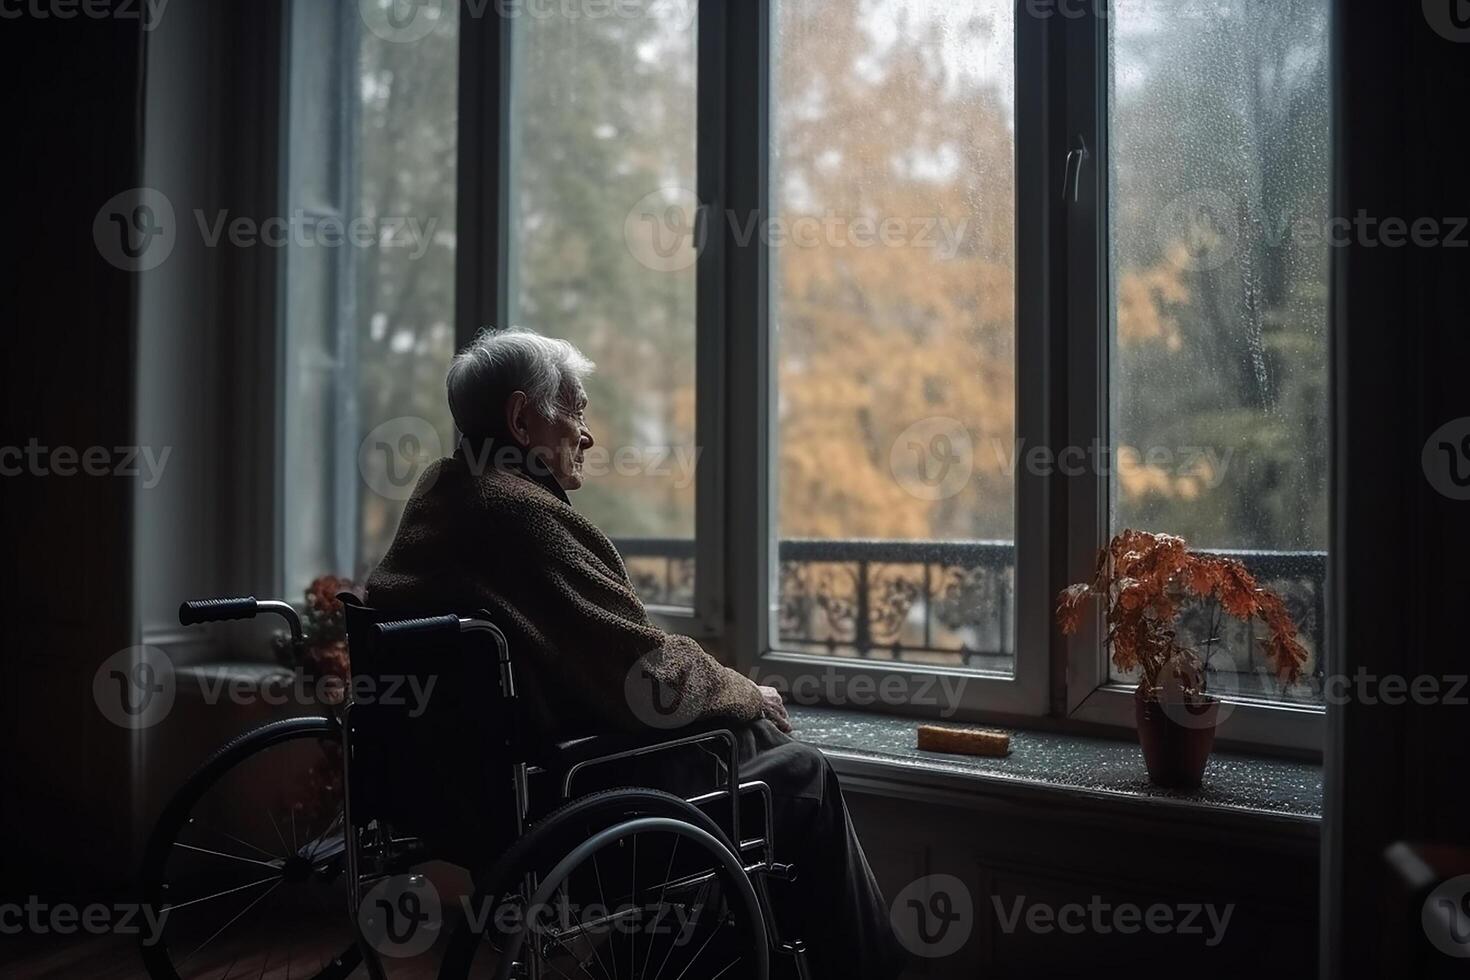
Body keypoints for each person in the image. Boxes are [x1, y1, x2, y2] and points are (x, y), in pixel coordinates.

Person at [366, 326, 908, 980]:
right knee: (803, 774)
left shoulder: (440, 499)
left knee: (757, 750)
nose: (587, 435)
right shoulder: (520, 518)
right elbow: (649, 679)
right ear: (520, 417)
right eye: (576, 411)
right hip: (566, 795)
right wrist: (743, 690)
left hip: (456, 794)